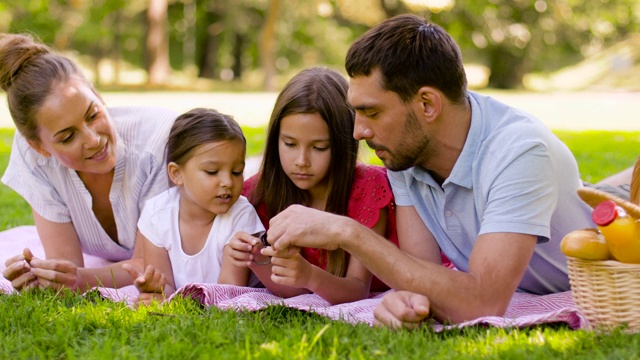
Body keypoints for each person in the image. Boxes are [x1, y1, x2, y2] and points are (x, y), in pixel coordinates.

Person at [265, 14, 599, 327]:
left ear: (427, 104)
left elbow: (482, 304)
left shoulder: (519, 151)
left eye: (371, 112)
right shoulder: (404, 152)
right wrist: (408, 303)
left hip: (602, 270)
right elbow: (419, 272)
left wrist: (348, 233)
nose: (358, 132)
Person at [0, 33, 178, 291]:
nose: (93, 140)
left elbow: (150, 266)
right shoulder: (32, 158)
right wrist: (43, 276)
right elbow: (67, 265)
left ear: (97, 95)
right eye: (68, 136)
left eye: (93, 114)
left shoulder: (156, 143)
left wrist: (80, 280)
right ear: (39, 147)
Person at [219, 67, 399, 305]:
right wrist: (254, 258)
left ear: (344, 143)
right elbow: (289, 290)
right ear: (275, 139)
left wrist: (309, 276)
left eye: (318, 147)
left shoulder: (368, 188)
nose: (301, 161)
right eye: (290, 144)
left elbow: (357, 291)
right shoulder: (259, 192)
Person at [124, 108, 264, 305]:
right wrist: (156, 292)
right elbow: (167, 288)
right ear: (176, 174)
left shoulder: (241, 215)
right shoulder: (156, 213)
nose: (227, 182)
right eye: (212, 171)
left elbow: (229, 292)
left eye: (236, 172)